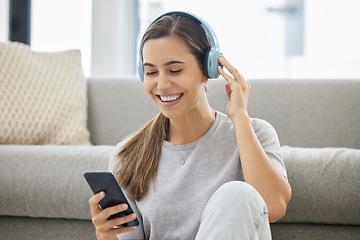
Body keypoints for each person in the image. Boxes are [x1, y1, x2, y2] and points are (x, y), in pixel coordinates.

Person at [89, 11, 292, 240]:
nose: (162, 85)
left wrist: (240, 118)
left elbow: (273, 207)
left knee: (238, 194)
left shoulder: (254, 132)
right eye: (151, 72)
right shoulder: (126, 155)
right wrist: (106, 235)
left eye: (175, 70)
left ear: (207, 70)